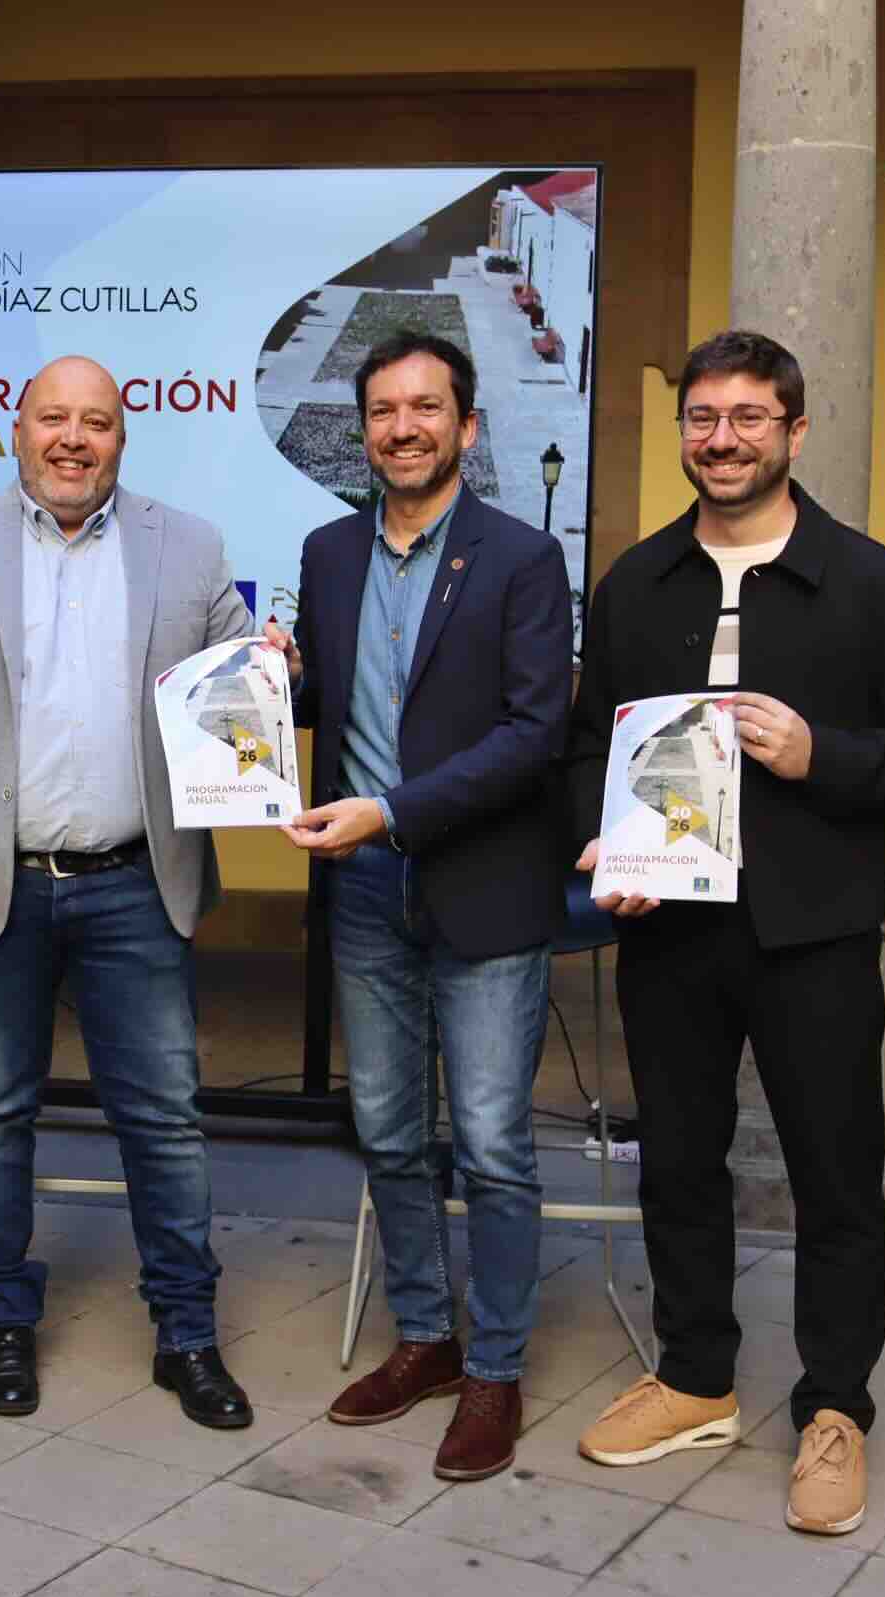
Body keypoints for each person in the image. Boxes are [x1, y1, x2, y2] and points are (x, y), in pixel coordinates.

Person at [566, 330, 885, 1535]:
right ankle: (695, 1375)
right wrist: (604, 843)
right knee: (678, 1164)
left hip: (817, 933)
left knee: (835, 1178)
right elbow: (588, 744)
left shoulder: (880, 585)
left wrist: (820, 754)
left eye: (749, 417)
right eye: (703, 417)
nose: (723, 438)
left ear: (794, 431)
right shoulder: (637, 584)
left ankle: (836, 1407)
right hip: (671, 931)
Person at [0, 355, 258, 1430]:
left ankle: (187, 1333)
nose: (73, 439)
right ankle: (1, 1319)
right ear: (16, 429)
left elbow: (241, 674)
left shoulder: (189, 546)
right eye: (53, 419)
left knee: (165, 1119)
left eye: (97, 422)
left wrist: (277, 668)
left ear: (123, 437)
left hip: (136, 881)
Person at [268, 333, 572, 1480]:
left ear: (467, 426)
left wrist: (391, 810)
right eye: (385, 410)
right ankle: (426, 1337)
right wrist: (279, 679)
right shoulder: (329, 551)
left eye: (426, 407)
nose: (404, 427)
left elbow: (535, 734)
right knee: (391, 1133)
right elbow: (335, 702)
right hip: (362, 893)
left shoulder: (522, 557)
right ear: (365, 429)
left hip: (482, 889)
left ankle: (494, 1369)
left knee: (491, 1146)